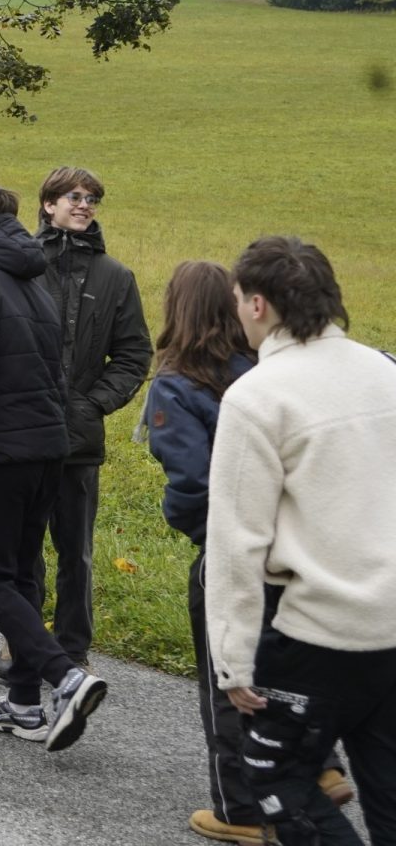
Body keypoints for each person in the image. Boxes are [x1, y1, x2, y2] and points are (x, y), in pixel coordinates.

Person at [138, 260, 354, 843]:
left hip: (232, 548)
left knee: (228, 680)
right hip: (293, 547)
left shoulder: (176, 383)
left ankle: (241, 812)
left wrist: (196, 530)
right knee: (288, 662)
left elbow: (192, 484)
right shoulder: (262, 369)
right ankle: (323, 765)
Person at [206, 236, 396, 845]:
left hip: (319, 632)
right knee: (389, 788)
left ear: (258, 304)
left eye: (239, 299)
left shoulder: (258, 396)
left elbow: (236, 541)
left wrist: (232, 658)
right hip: (391, 625)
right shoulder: (386, 370)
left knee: (278, 781)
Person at [0, 180, 105, 753]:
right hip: (47, 449)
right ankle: (25, 702)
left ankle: (66, 678)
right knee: (23, 574)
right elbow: (54, 371)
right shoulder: (33, 280)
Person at [20, 167, 151, 677]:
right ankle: (25, 641)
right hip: (22, 430)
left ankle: (73, 649)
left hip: (78, 437)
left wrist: (93, 403)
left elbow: (135, 353)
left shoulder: (115, 276)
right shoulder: (23, 264)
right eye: (73, 195)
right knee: (22, 547)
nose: (84, 204)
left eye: (92, 198)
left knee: (76, 552)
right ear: (48, 203)